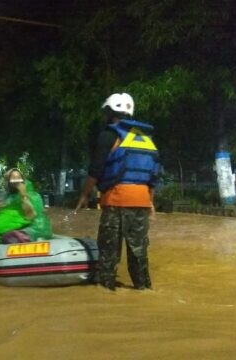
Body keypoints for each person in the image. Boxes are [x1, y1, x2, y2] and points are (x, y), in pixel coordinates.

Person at [75, 93, 160, 291]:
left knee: (109, 250)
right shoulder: (146, 139)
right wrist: (150, 203)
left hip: (116, 200)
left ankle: (106, 288)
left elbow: (95, 171)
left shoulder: (108, 135)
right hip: (141, 202)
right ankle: (143, 287)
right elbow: (153, 175)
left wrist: (84, 195)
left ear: (110, 112)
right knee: (139, 251)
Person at [0, 168, 52, 243]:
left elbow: (30, 216)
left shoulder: (34, 196)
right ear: (8, 182)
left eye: (18, 178)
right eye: (13, 178)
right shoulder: (7, 197)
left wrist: (23, 196)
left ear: (23, 180)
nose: (16, 180)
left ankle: (18, 236)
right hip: (11, 227)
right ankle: (6, 236)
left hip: (33, 226)